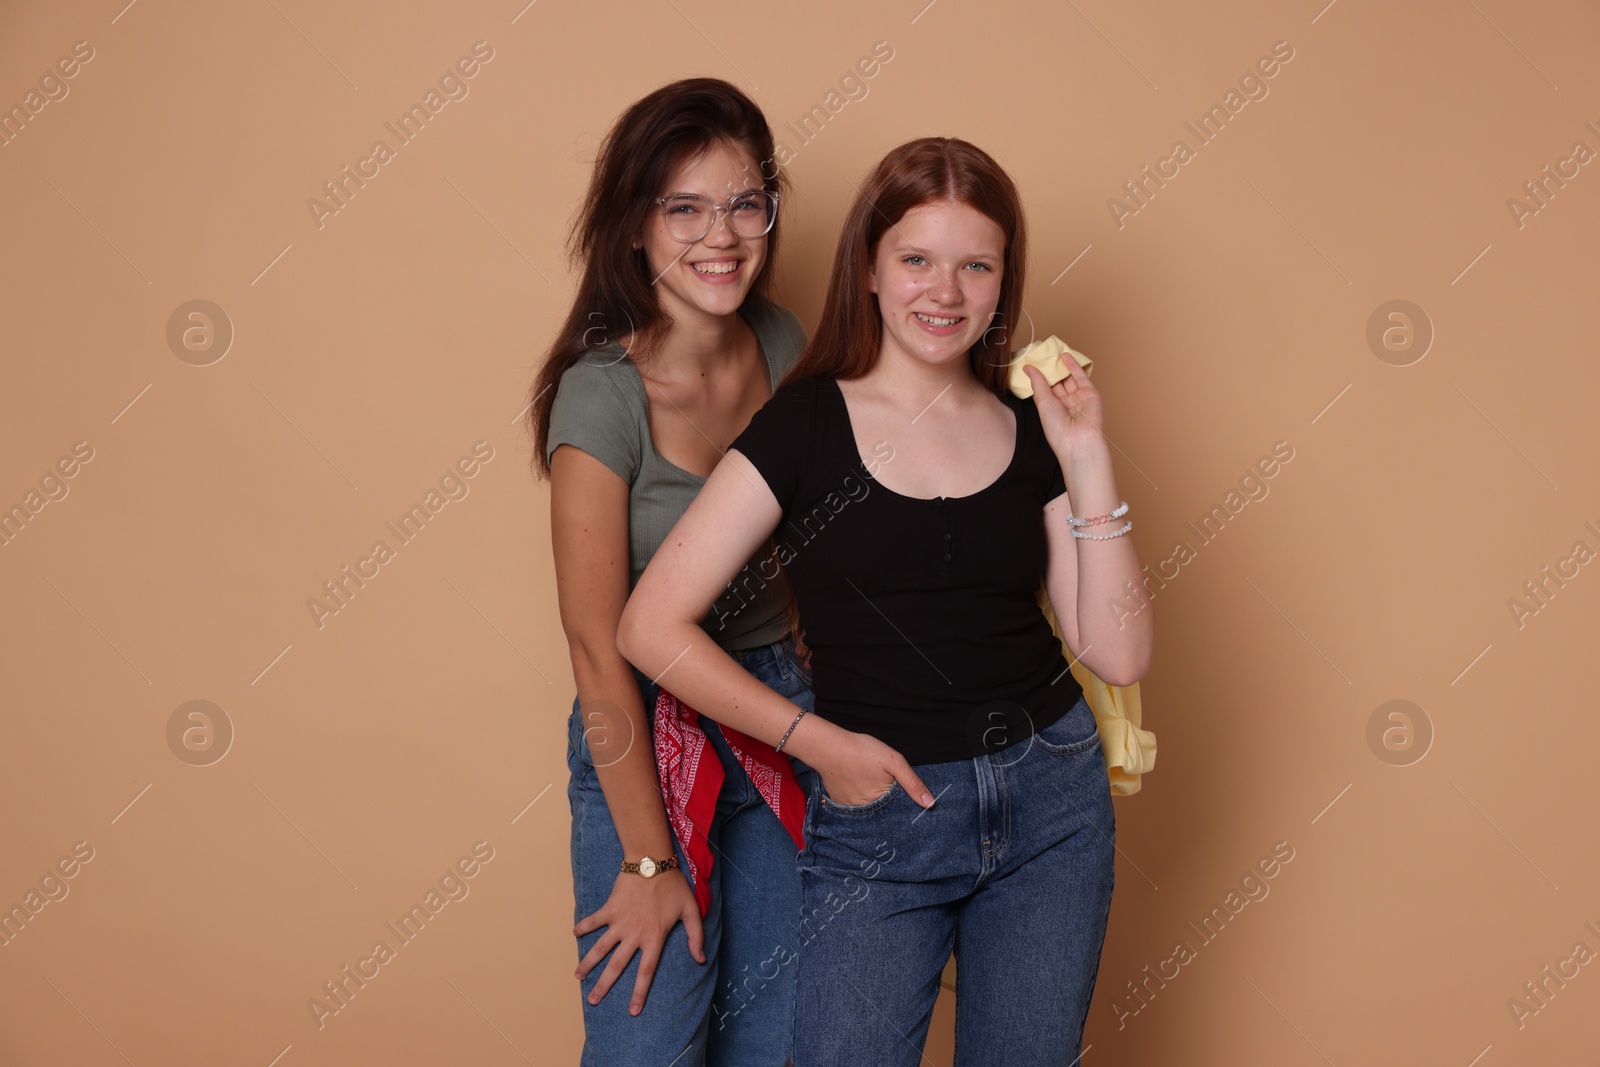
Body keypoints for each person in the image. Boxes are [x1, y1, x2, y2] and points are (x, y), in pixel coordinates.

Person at [617, 136, 1155, 1065]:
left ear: (1001, 282)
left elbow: (1119, 653)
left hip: (1051, 805)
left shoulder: (1035, 430)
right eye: (916, 260)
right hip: (881, 819)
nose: (944, 293)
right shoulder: (805, 423)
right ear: (869, 266)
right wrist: (818, 745)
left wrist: (1089, 454)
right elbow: (648, 625)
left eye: (974, 265)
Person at [526, 77, 818, 1066]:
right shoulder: (600, 396)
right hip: (643, 731)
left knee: (783, 1044)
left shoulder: (783, 344)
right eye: (684, 208)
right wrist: (648, 856)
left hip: (774, 711)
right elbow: (595, 643)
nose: (720, 236)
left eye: (744, 203)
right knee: (648, 1046)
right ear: (635, 228)